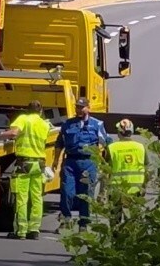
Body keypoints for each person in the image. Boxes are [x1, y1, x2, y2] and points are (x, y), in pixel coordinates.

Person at [0, 100, 51, 240]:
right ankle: (34, 230)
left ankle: (20, 231)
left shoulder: (24, 119)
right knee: (37, 198)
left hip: (24, 164)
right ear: (40, 111)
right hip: (39, 164)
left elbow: (14, 133)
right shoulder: (44, 124)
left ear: (27, 110)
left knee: (21, 198)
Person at [55, 97, 112, 232]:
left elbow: (107, 142)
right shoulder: (68, 124)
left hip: (88, 162)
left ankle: (84, 223)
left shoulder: (97, 124)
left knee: (86, 193)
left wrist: (108, 161)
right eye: (77, 107)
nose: (79, 110)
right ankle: (65, 220)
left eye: (82, 107)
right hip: (70, 162)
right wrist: (56, 161)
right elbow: (59, 143)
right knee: (67, 192)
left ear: (88, 108)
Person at [104, 119, 147, 225]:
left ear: (119, 132)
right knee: (133, 221)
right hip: (135, 189)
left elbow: (105, 170)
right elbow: (146, 170)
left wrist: (102, 192)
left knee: (115, 221)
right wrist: (144, 187)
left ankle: (116, 240)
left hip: (116, 190)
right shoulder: (140, 147)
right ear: (131, 131)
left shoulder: (111, 148)